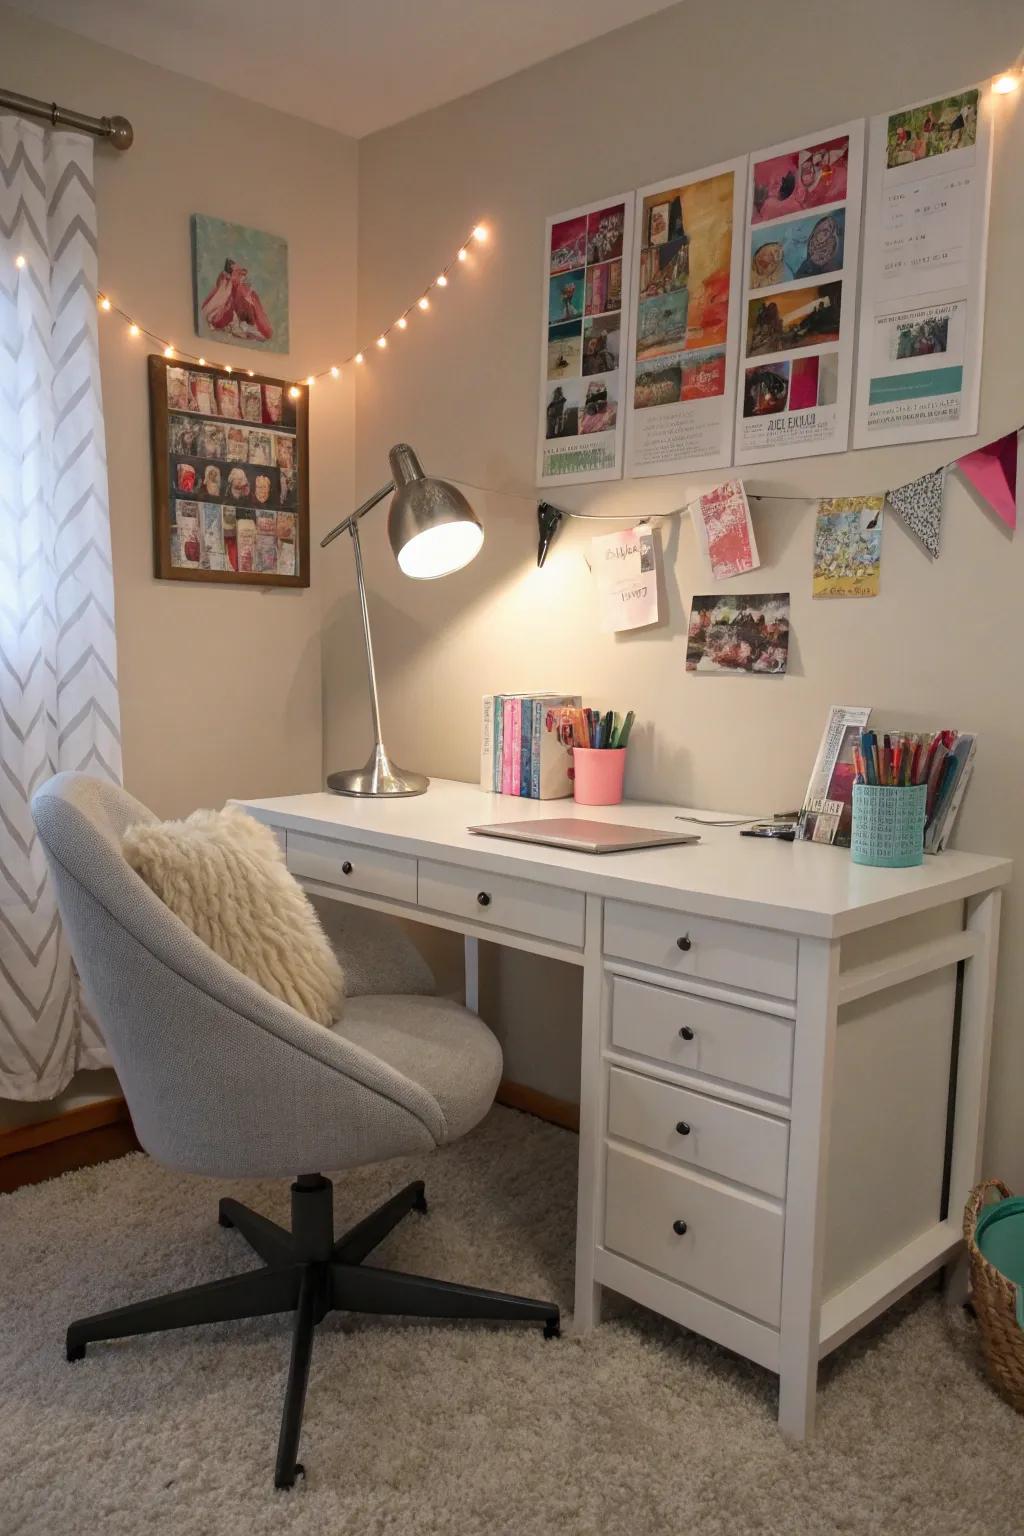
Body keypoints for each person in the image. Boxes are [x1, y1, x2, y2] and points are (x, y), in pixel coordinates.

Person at [201, 258, 274, 342]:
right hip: (235, 318)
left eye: (242, 276)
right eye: (240, 275)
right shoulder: (227, 287)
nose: (244, 278)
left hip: (243, 319)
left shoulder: (247, 293)